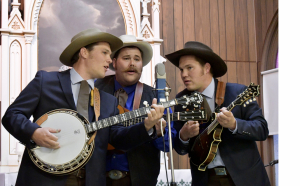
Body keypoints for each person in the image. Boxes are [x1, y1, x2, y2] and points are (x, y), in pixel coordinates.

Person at [1, 28, 165, 186]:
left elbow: (120, 140)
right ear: (84, 52)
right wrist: (33, 132)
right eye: (105, 53)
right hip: (44, 178)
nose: (110, 60)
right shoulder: (45, 81)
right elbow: (12, 115)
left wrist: (146, 126)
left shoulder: (108, 101)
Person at [165, 41, 271, 186]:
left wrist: (234, 124)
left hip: (244, 179)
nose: (184, 74)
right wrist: (184, 135)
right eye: (181, 69)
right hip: (206, 180)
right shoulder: (181, 100)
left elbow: (262, 130)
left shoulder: (238, 92)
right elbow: (179, 148)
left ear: (206, 68)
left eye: (189, 68)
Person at [95, 35, 176, 186]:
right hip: (97, 179)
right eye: (126, 58)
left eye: (137, 59)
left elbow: (167, 145)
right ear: (114, 62)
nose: (132, 63)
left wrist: (159, 131)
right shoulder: (95, 90)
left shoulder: (155, 96)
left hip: (139, 180)